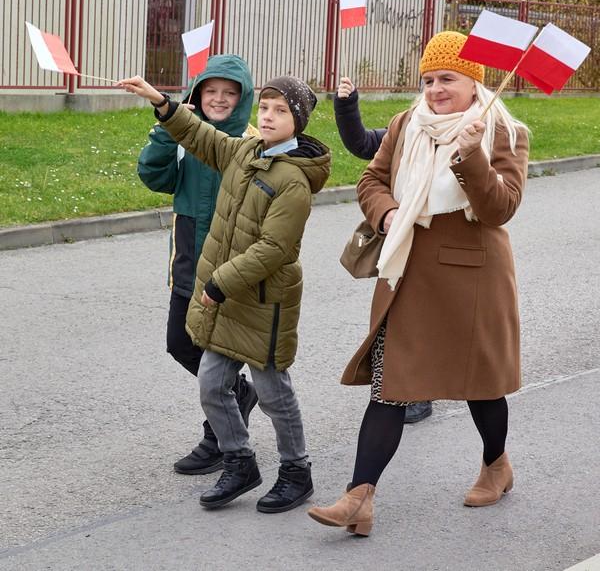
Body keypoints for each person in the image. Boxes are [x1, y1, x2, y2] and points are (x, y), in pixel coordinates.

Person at [308, 31, 529, 536]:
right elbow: (371, 180)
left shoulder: (503, 131)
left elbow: (501, 209)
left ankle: (496, 465)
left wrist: (471, 155)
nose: (435, 89)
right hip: (406, 271)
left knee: (481, 386)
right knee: (390, 385)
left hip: (474, 278)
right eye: (428, 80)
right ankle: (359, 497)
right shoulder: (408, 123)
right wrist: (388, 215)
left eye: (447, 78)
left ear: (473, 82)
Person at [120, 73, 331, 514]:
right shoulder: (245, 151)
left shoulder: (293, 180)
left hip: (262, 302)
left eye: (280, 111)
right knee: (212, 385)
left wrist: (219, 282)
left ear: (298, 121)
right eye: (265, 108)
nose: (268, 116)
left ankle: (297, 471)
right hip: (229, 296)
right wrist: (161, 101)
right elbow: (200, 135)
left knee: (273, 394)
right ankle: (239, 462)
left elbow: (274, 248)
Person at [137, 54, 259, 475]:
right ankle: (239, 395)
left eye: (230, 93)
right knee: (180, 343)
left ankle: (219, 439)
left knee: (216, 361)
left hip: (230, 274)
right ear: (197, 93)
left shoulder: (251, 144)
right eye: (211, 91)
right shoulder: (183, 137)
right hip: (189, 265)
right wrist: (166, 131)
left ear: (243, 98)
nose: (219, 99)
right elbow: (155, 177)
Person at [334, 77, 433, 425]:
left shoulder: (468, 134)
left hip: (437, 249)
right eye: (428, 82)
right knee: (397, 319)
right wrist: (347, 104)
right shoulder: (405, 128)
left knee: (423, 319)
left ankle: (419, 393)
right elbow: (361, 143)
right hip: (400, 242)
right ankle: (398, 391)